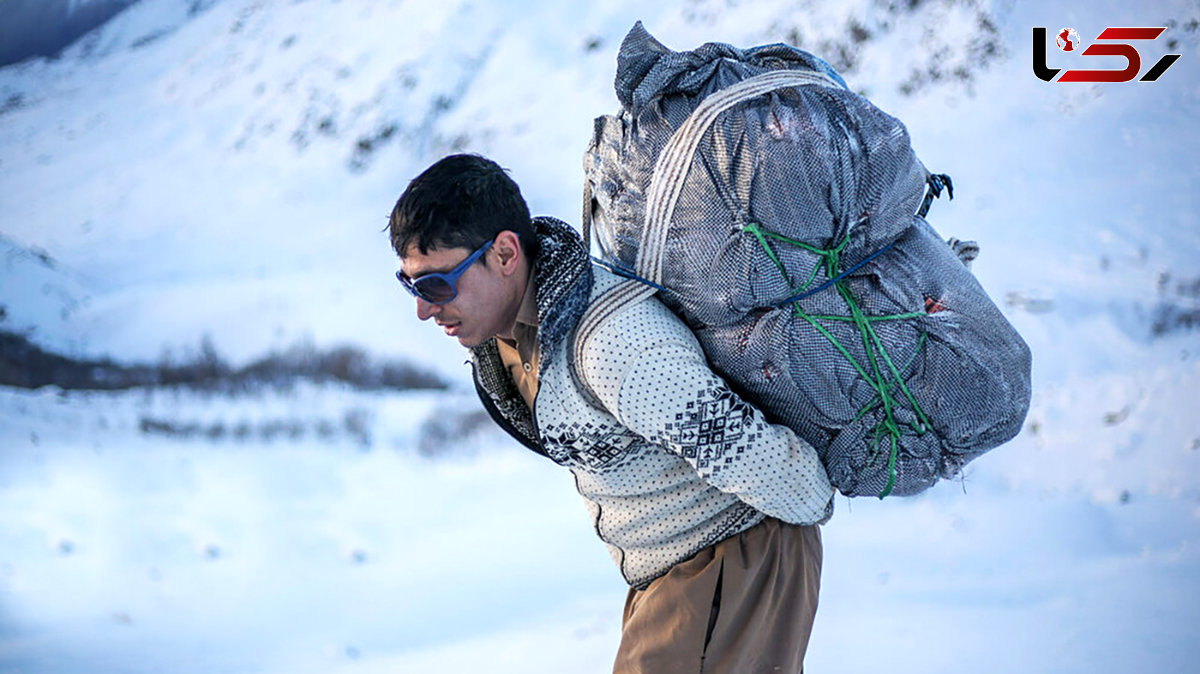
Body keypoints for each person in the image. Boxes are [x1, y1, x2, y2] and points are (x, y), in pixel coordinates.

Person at [388, 153, 834, 673]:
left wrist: (783, 544)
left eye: (436, 284)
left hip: (732, 556)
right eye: (410, 285)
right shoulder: (505, 343)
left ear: (505, 253)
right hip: (668, 574)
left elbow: (759, 460)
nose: (422, 308)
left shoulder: (612, 343)